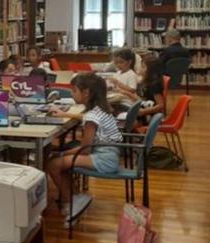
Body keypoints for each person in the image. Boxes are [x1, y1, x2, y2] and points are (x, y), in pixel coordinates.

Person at [47, 74, 122, 225]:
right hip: (109, 154)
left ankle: (72, 203)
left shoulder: (91, 117)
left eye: (74, 91)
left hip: (104, 159)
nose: (71, 94)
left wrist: (62, 153)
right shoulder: (100, 110)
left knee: (53, 165)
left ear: (86, 93)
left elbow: (85, 149)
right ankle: (74, 198)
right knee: (60, 162)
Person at [119, 55, 166, 124]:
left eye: (143, 67)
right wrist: (127, 93)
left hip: (151, 115)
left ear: (150, 71)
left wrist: (143, 111)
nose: (140, 69)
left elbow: (160, 105)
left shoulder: (154, 85)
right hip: (144, 110)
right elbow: (142, 100)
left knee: (124, 119)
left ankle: (131, 133)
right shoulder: (144, 82)